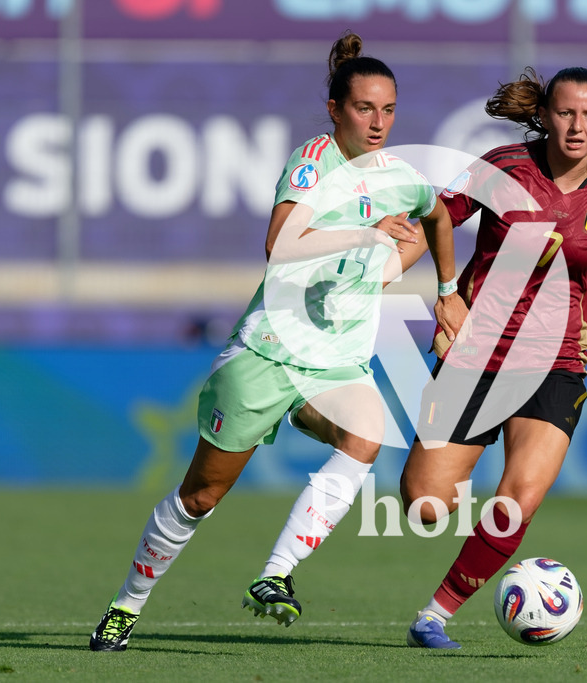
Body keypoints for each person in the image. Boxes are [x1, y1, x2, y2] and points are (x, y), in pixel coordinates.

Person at [89, 31, 466, 652]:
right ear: (336, 109)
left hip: (336, 365)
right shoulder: (314, 161)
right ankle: (126, 606)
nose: (378, 122)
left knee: (366, 437)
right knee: (200, 495)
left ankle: (274, 576)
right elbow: (279, 243)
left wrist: (447, 287)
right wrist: (370, 232)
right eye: (363, 108)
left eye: (389, 109)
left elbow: (438, 214)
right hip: (268, 352)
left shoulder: (400, 176)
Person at [401, 67, 587, 649]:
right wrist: (402, 272)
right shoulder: (504, 169)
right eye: (566, 112)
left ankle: (434, 616)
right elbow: (434, 221)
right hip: (476, 356)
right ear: (544, 114)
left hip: (557, 359)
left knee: (518, 499)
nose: (576, 125)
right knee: (425, 504)